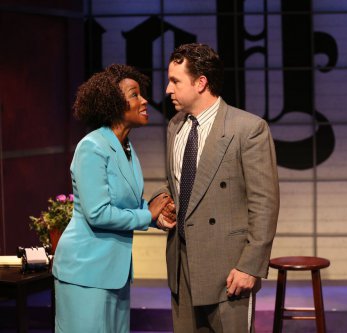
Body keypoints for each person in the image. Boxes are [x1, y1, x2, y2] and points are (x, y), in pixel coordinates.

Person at [151, 43, 280, 332]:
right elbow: (176, 183)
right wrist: (161, 205)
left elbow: (265, 204)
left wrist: (250, 265)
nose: (168, 90)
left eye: (175, 81)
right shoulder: (175, 126)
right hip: (182, 266)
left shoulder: (247, 129)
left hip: (229, 272)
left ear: (200, 83)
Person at [52, 64, 173, 333]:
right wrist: (147, 215)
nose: (144, 101)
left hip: (113, 273)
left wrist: (159, 218)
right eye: (134, 95)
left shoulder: (126, 147)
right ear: (113, 104)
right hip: (85, 272)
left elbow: (128, 205)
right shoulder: (92, 147)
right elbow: (98, 213)